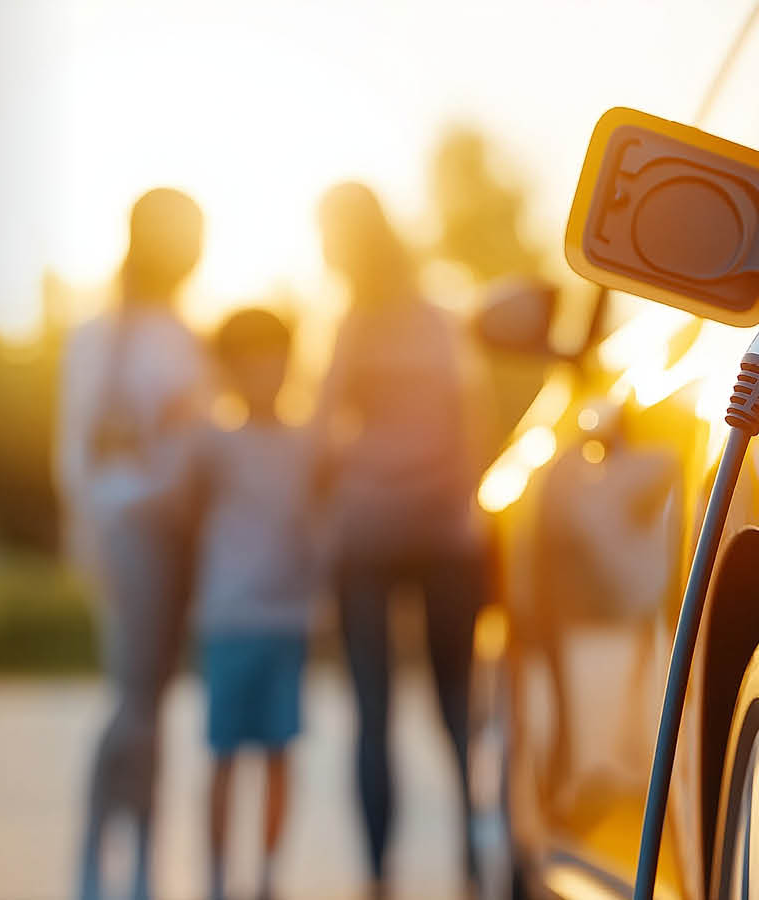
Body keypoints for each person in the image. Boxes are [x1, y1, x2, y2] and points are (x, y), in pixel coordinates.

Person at [309, 181, 495, 896]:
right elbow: (471, 420)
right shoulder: (435, 324)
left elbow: (324, 432)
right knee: (454, 701)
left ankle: (378, 874)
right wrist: (459, 493)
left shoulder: (353, 327)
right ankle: (473, 857)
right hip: (443, 529)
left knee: (375, 709)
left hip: (371, 531)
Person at [57, 188, 211, 900]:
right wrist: (89, 536)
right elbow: (77, 454)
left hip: (176, 537)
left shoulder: (184, 337)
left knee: (151, 701)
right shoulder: (101, 338)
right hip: (128, 534)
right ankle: (97, 853)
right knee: (135, 699)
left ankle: (145, 856)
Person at [191, 309, 318, 900]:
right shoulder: (212, 443)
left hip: (287, 620)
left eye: (274, 360)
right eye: (247, 363)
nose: (263, 374)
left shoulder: (309, 443)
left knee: (276, 755)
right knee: (223, 756)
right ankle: (217, 878)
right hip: (228, 620)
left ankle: (267, 876)